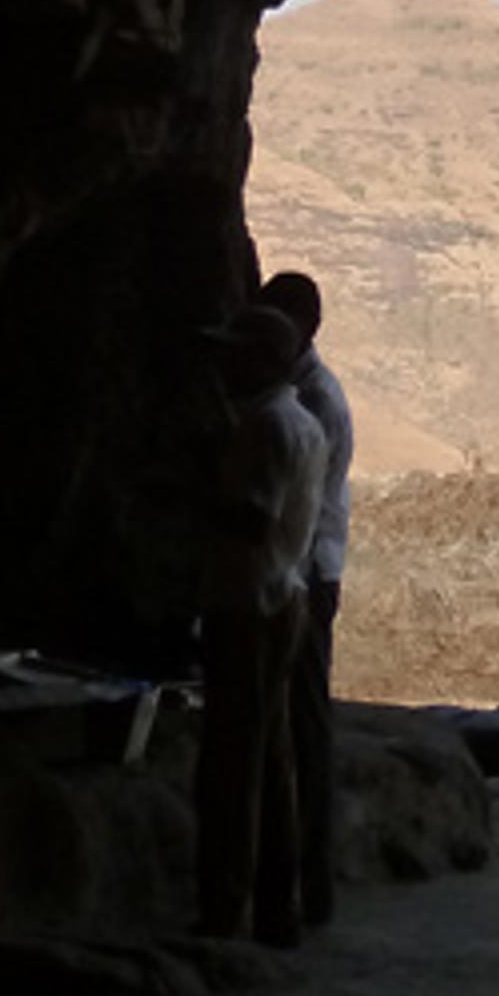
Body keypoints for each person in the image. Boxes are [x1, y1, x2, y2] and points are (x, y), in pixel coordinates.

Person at [192, 302, 329, 946]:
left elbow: (250, 519)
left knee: (233, 764)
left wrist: (192, 491)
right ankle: (280, 905)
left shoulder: (265, 428)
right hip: (284, 596)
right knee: (271, 761)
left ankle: (228, 906)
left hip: (249, 604)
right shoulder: (301, 422)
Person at [262, 268, 355, 926]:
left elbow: (300, 507)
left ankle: (309, 880)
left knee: (303, 729)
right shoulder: (305, 394)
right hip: (305, 571)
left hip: (304, 576)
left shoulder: (310, 402)